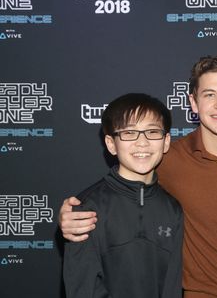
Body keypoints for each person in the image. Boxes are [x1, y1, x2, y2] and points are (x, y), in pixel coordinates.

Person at [60, 56, 217, 297]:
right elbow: (122, 190)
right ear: (193, 102)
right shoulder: (167, 158)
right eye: (209, 94)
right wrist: (70, 215)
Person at [63, 93, 183, 298]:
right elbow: (83, 289)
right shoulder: (86, 209)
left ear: (166, 141)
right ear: (111, 143)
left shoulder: (173, 209)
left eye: (152, 132)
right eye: (129, 133)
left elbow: (173, 284)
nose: (142, 143)